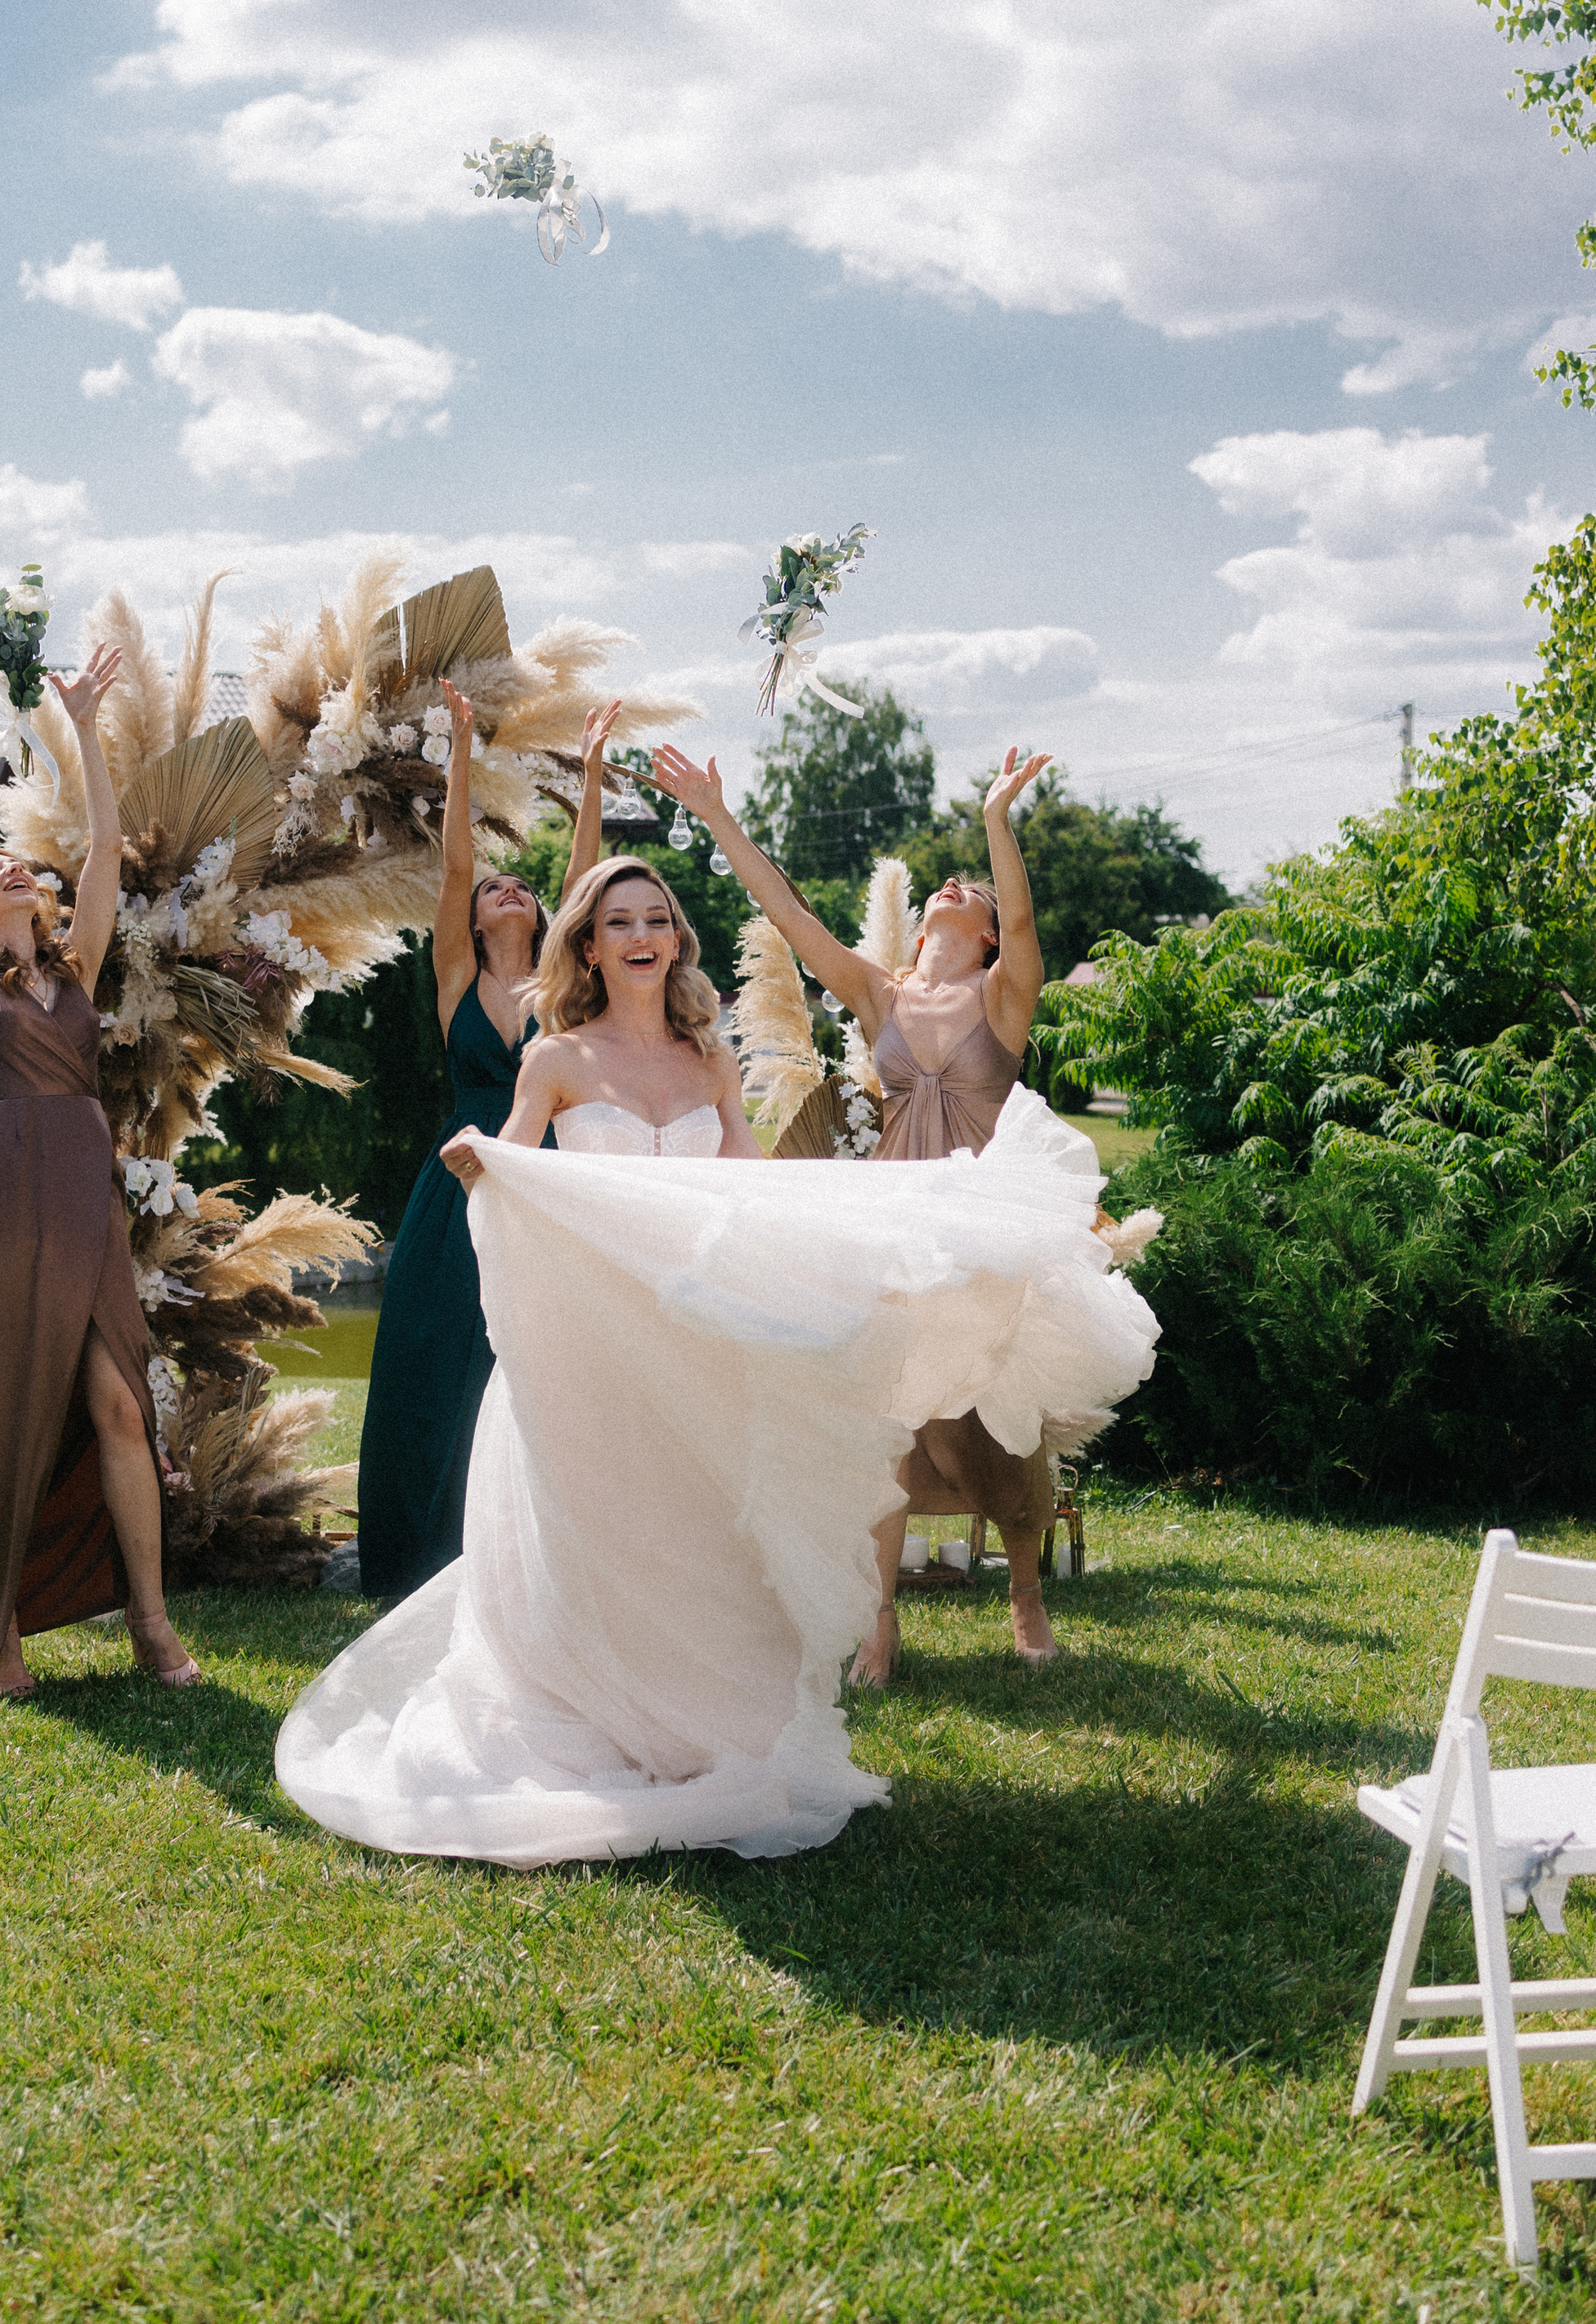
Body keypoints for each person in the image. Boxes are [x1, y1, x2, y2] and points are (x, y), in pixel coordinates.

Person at [275, 854, 1156, 1868]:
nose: (642, 935)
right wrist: (486, 1163)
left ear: (676, 940)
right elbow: (510, 1171)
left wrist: (857, 1223)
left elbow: (747, 1181)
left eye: (658, 918)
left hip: (697, 1343)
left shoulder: (710, 1061)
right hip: (595, 1344)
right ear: (591, 947)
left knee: (697, 1532)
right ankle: (597, 1716)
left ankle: (698, 1729)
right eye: (619, 923)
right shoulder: (555, 1058)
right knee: (602, 1527)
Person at [653, 738, 1065, 1674]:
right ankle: (878, 1633)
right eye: (950, 882)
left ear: (991, 935)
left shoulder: (1004, 998)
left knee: (994, 1422)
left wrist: (996, 818)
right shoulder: (879, 995)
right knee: (877, 1424)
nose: (957, 884)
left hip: (977, 1229)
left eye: (976, 890)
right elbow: (790, 916)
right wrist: (718, 816)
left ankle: (1026, 1589)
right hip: (886, 1232)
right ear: (920, 925)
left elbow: (1031, 915)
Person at [0, 635, 199, 1701]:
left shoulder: (78, 965)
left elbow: (105, 852)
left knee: (121, 1407)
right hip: (8, 1198)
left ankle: (149, 1619)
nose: (9, 868)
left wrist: (85, 726)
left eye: (14, 862)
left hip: (84, 1191)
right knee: (17, 1413)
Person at [353, 685, 619, 1600]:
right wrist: (460, 750)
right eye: (494, 888)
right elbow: (457, 863)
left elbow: (586, 874)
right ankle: (418, 1549)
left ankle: (541, 1550)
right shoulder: (456, 977)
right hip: (459, 1181)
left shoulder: (562, 986)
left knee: (538, 1354)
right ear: (471, 920)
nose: (508, 886)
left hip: (548, 1180)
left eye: (524, 885)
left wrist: (588, 776)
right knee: (436, 1347)